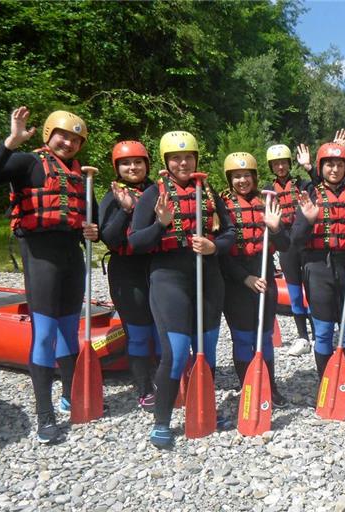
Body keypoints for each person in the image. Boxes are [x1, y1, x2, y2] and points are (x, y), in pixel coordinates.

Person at [0, 107, 98, 443]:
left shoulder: (79, 175)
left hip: (72, 257)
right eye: (63, 135)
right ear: (48, 134)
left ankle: (72, 398)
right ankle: (45, 417)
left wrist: (92, 230)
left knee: (70, 332)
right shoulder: (28, 162)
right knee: (44, 333)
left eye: (75, 139)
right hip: (41, 256)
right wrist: (11, 141)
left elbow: (93, 218)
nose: (69, 142)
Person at [128, 131, 235, 449]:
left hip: (209, 279)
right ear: (166, 162)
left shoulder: (208, 191)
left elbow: (230, 233)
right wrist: (160, 224)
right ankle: (162, 421)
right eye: (176, 158)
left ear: (196, 160)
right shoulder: (153, 195)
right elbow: (135, 241)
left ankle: (204, 410)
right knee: (174, 355)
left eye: (188, 157)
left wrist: (213, 246)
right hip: (169, 280)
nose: (183, 162)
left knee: (207, 352)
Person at [291, 143, 345, 409]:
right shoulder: (310, 194)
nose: (334, 169)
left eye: (339, 164)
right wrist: (307, 220)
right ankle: (326, 383)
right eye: (329, 164)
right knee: (324, 330)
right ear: (320, 167)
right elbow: (295, 240)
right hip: (318, 267)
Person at [219, 152, 289, 407]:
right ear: (230, 179)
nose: (242, 180)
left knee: (264, 335)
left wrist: (276, 228)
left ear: (254, 177)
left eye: (246, 175)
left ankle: (270, 386)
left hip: (264, 272)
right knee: (242, 337)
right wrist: (244, 278)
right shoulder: (222, 205)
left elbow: (286, 245)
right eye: (236, 176)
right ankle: (247, 385)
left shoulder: (267, 202)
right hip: (235, 278)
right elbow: (221, 253)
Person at [99, 140, 158, 411]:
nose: (132, 167)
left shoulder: (158, 192)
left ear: (147, 165)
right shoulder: (112, 196)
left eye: (138, 162)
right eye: (126, 163)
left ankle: (166, 381)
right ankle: (145, 388)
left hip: (157, 269)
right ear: (117, 167)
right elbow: (108, 238)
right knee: (138, 333)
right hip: (126, 271)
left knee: (161, 330)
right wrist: (125, 210)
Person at [265, 144, 313, 356]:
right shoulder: (267, 190)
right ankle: (302, 337)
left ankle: (319, 333)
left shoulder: (302, 184)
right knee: (294, 293)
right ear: (272, 167)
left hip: (305, 242)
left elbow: (319, 187)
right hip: (286, 244)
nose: (281, 166)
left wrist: (310, 167)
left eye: (284, 162)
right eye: (276, 163)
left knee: (312, 290)